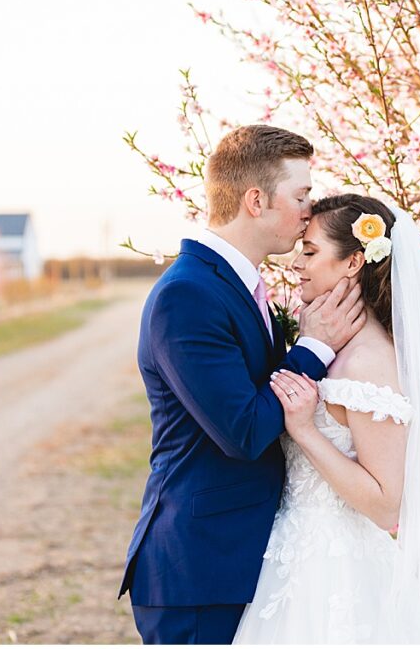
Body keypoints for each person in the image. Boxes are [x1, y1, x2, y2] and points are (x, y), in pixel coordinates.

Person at [118, 125, 366, 644]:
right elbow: (245, 431)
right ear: (256, 200)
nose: (307, 211)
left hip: (248, 560)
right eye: (300, 196)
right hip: (200, 569)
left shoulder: (240, 284)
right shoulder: (187, 296)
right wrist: (315, 347)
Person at [233, 194, 420, 644]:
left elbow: (386, 505)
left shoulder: (368, 362)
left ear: (354, 262)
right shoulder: (328, 349)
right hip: (289, 559)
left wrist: (306, 431)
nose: (296, 264)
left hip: (338, 572)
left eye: (310, 251)